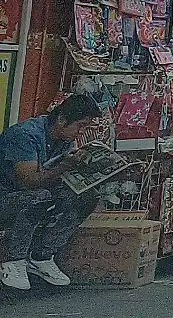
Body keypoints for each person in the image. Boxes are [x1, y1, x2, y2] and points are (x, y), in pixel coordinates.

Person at [0, 93, 106, 290]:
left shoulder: (64, 140)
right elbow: (29, 182)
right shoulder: (26, 135)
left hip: (30, 194)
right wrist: (65, 165)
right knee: (40, 197)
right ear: (62, 120)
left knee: (85, 198)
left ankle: (42, 255)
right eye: (80, 125)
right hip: (7, 196)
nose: (80, 132)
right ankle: (13, 259)